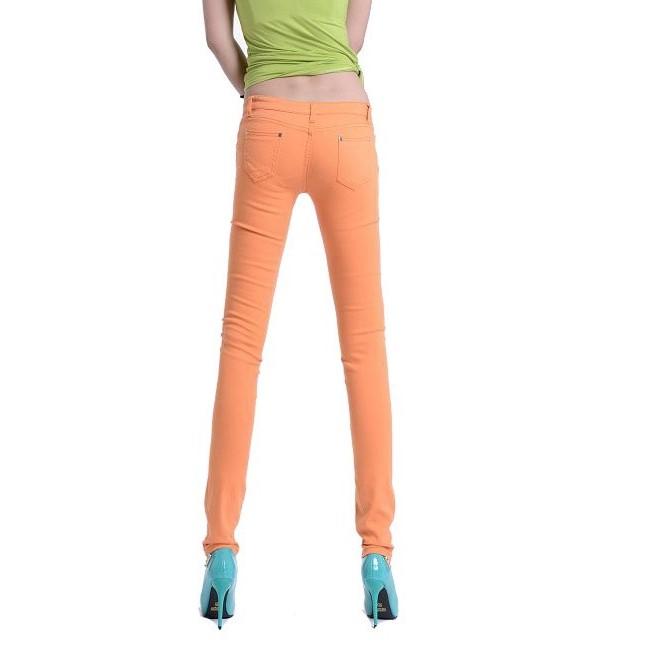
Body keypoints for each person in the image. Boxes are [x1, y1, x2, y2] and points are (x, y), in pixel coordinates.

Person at [199, 0, 398, 628]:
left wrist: (261, 85)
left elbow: (217, 38)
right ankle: (377, 555)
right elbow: (352, 37)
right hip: (345, 124)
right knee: (363, 346)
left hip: (269, 122)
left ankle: (221, 550)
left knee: (242, 344)